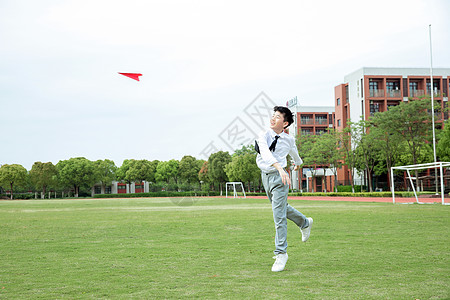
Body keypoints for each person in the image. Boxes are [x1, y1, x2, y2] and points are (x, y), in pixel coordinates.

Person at [255, 106, 313, 272]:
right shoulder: (263, 135)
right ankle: (304, 222)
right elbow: (265, 154)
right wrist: (280, 168)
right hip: (266, 176)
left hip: (281, 178)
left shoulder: (289, 140)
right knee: (281, 209)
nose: (273, 118)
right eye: (273, 115)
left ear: (285, 123)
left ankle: (281, 253)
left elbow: (295, 155)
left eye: (278, 116)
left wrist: (297, 164)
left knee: (278, 216)